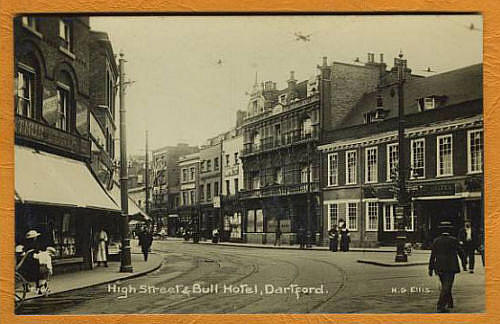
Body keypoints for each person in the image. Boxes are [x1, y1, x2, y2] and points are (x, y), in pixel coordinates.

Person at [428, 221, 465, 313]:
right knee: (447, 285)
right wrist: (464, 262)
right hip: (451, 266)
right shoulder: (453, 240)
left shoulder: (436, 240)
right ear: (450, 230)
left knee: (445, 284)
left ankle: (450, 302)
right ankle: (440, 305)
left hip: (439, 266)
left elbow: (433, 255)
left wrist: (430, 268)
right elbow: (461, 252)